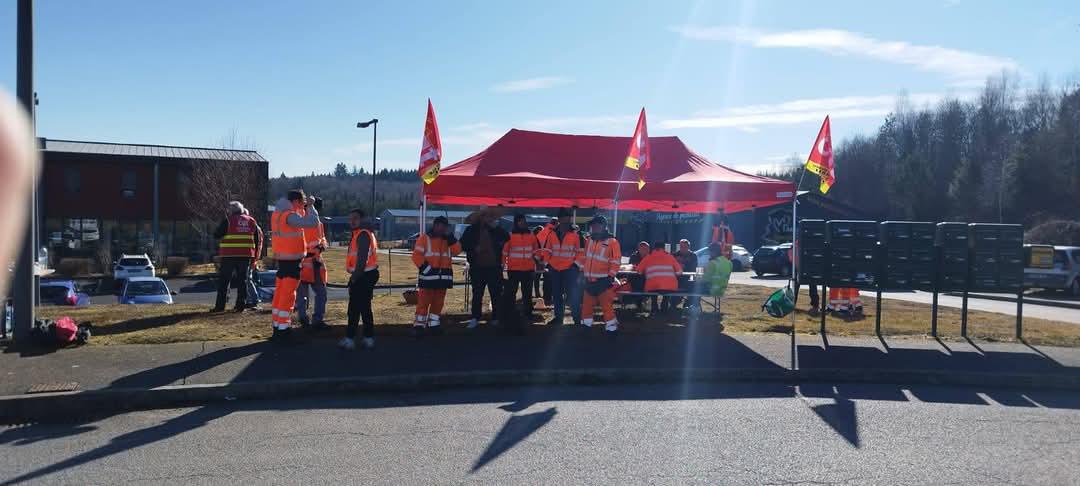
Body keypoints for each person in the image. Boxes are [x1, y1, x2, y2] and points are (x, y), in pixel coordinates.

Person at [269, 190, 320, 341]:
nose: (303, 204)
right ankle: (284, 331)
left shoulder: (278, 214)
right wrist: (311, 206)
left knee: (280, 294)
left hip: (283, 261)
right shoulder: (289, 216)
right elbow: (312, 222)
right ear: (296, 201)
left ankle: (277, 327)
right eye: (302, 201)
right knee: (288, 295)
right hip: (291, 262)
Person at [412, 215, 462, 336]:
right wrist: (427, 270)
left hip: (443, 279)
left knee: (438, 303)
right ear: (435, 225)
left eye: (444, 226)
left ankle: (434, 325)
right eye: (440, 225)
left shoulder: (449, 240)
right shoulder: (424, 238)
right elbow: (416, 256)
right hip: (428, 278)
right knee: (423, 303)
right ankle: (419, 326)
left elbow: (457, 251)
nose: (442, 228)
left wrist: (451, 238)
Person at [460, 207, 509, 329]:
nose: (487, 218)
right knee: (477, 293)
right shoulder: (471, 230)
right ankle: (475, 317)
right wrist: (473, 248)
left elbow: (507, 239)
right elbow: (463, 244)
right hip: (477, 267)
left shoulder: (497, 230)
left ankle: (496, 317)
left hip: (494, 267)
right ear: (479, 217)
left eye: (488, 216)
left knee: (496, 293)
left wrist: (496, 228)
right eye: (484, 216)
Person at [339, 208, 379, 350]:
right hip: (365, 274)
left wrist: (354, 278)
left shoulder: (362, 234)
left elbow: (362, 260)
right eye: (350, 218)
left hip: (363, 275)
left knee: (355, 309)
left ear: (362, 219)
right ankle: (366, 337)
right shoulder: (361, 233)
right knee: (362, 307)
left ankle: (353, 338)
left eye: (355, 218)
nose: (352, 221)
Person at [212, 201, 262, 313]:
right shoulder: (251, 221)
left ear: (232, 210)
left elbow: (217, 234)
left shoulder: (228, 220)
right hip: (246, 255)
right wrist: (255, 256)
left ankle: (220, 306)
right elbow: (257, 239)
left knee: (224, 280)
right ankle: (241, 306)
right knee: (242, 281)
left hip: (229, 254)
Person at [578, 215, 622, 332]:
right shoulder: (589, 240)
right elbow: (584, 257)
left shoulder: (612, 242)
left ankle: (611, 329)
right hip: (589, 280)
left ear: (603, 226)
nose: (593, 227)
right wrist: (582, 272)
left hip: (604, 280)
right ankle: (586, 326)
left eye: (596, 225)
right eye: (592, 226)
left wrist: (610, 276)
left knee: (606, 307)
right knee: (586, 306)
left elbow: (616, 261)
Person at [542, 208, 584, 325]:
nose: (566, 220)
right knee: (557, 295)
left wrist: (575, 265)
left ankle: (576, 318)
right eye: (564, 218)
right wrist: (547, 264)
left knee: (573, 295)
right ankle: (559, 318)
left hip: (570, 269)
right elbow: (547, 250)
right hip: (555, 269)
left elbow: (581, 252)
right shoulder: (552, 234)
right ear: (559, 219)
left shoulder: (576, 234)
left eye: (568, 218)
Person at [503, 213, 540, 328]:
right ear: (516, 223)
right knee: (511, 293)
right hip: (513, 269)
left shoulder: (532, 236)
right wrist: (502, 266)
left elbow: (537, 251)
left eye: (524, 221)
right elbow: (504, 252)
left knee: (527, 294)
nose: (523, 223)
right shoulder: (510, 236)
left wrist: (538, 263)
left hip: (528, 269)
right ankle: (510, 313)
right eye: (520, 221)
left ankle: (528, 314)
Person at [297, 196, 329, 330]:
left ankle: (314, 319)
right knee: (304, 294)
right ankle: (304, 319)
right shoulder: (300, 221)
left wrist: (323, 246)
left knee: (320, 293)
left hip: (315, 262)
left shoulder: (318, 223)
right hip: (305, 263)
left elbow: (322, 239)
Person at [637, 240, 681, 314]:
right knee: (667, 289)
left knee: (653, 289)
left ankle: (654, 307)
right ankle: (664, 306)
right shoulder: (670, 257)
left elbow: (639, 271)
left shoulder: (648, 257)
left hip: (652, 286)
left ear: (654, 248)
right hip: (669, 286)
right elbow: (679, 271)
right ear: (664, 248)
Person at [790, 240, 820, 316]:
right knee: (812, 287)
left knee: (798, 287)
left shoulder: (796, 244)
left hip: (802, 268)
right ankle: (815, 306)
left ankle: (793, 304)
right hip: (806, 268)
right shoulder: (807, 243)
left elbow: (791, 255)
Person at [536, 217, 558, 307]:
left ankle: (544, 297)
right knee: (551, 279)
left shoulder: (543, 231)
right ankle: (550, 297)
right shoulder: (554, 232)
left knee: (542, 279)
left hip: (541, 258)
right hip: (550, 259)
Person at [673, 239, 699, 309]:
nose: (683, 248)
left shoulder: (693, 255)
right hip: (677, 279)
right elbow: (671, 267)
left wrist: (684, 266)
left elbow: (694, 269)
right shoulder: (675, 255)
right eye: (681, 247)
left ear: (688, 247)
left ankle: (689, 305)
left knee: (694, 286)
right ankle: (673, 305)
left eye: (685, 247)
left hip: (688, 279)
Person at [627, 241, 651, 312]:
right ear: (639, 249)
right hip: (636, 278)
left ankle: (650, 305)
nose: (645, 251)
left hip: (647, 277)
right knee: (639, 283)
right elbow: (635, 269)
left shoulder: (651, 256)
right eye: (643, 249)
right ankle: (639, 303)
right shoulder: (634, 257)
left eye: (647, 249)